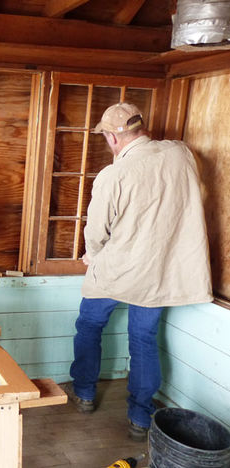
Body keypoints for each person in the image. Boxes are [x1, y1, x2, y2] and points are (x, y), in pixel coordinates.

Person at [65, 102, 212, 442]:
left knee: (89, 325)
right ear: (142, 129)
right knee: (144, 339)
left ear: (113, 137)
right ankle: (140, 416)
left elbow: (96, 232)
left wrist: (93, 255)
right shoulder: (180, 154)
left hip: (117, 268)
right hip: (160, 270)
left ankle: (85, 393)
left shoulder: (113, 175)